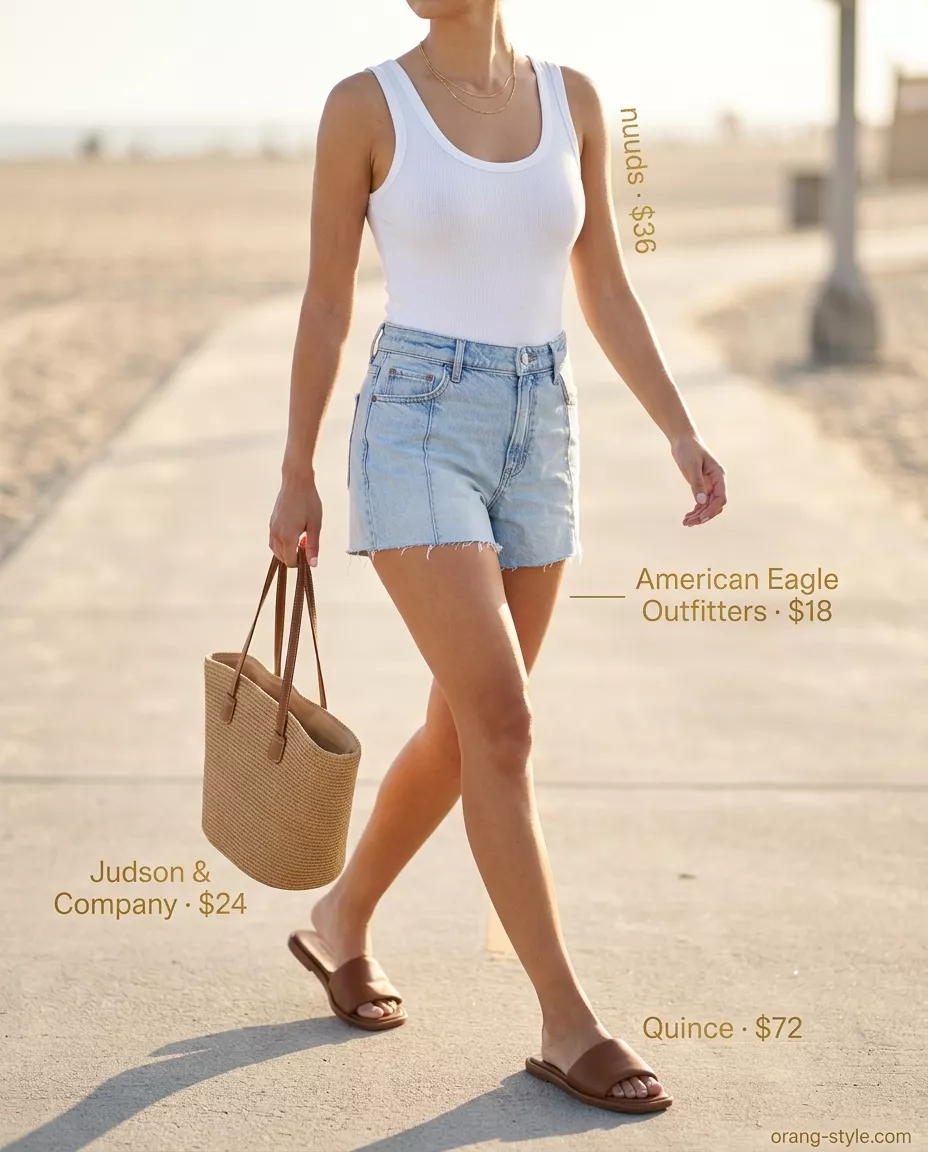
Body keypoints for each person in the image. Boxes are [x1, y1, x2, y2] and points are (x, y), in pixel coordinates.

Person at [269, 0, 726, 1116]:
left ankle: (337, 923)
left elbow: (603, 283)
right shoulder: (361, 105)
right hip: (416, 420)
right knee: (505, 723)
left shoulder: (573, 97)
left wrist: (677, 427)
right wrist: (295, 467)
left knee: (460, 727)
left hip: (541, 425)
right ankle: (568, 1023)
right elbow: (328, 302)